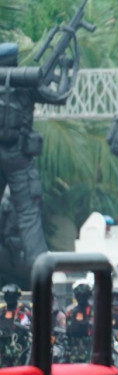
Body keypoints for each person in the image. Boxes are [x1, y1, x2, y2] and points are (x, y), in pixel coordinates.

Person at [0, 43, 57, 271]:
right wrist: (55, 69)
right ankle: (41, 272)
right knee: (28, 214)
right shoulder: (26, 85)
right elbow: (58, 96)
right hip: (18, 156)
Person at [63, 280, 94, 363]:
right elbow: (67, 329)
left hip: (89, 347)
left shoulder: (93, 310)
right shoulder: (71, 311)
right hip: (75, 347)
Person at [0, 283, 31, 367]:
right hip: (2, 349)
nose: (8, 297)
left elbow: (27, 328)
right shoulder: (2, 311)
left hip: (17, 348)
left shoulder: (23, 311)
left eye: (10, 295)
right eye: (6, 295)